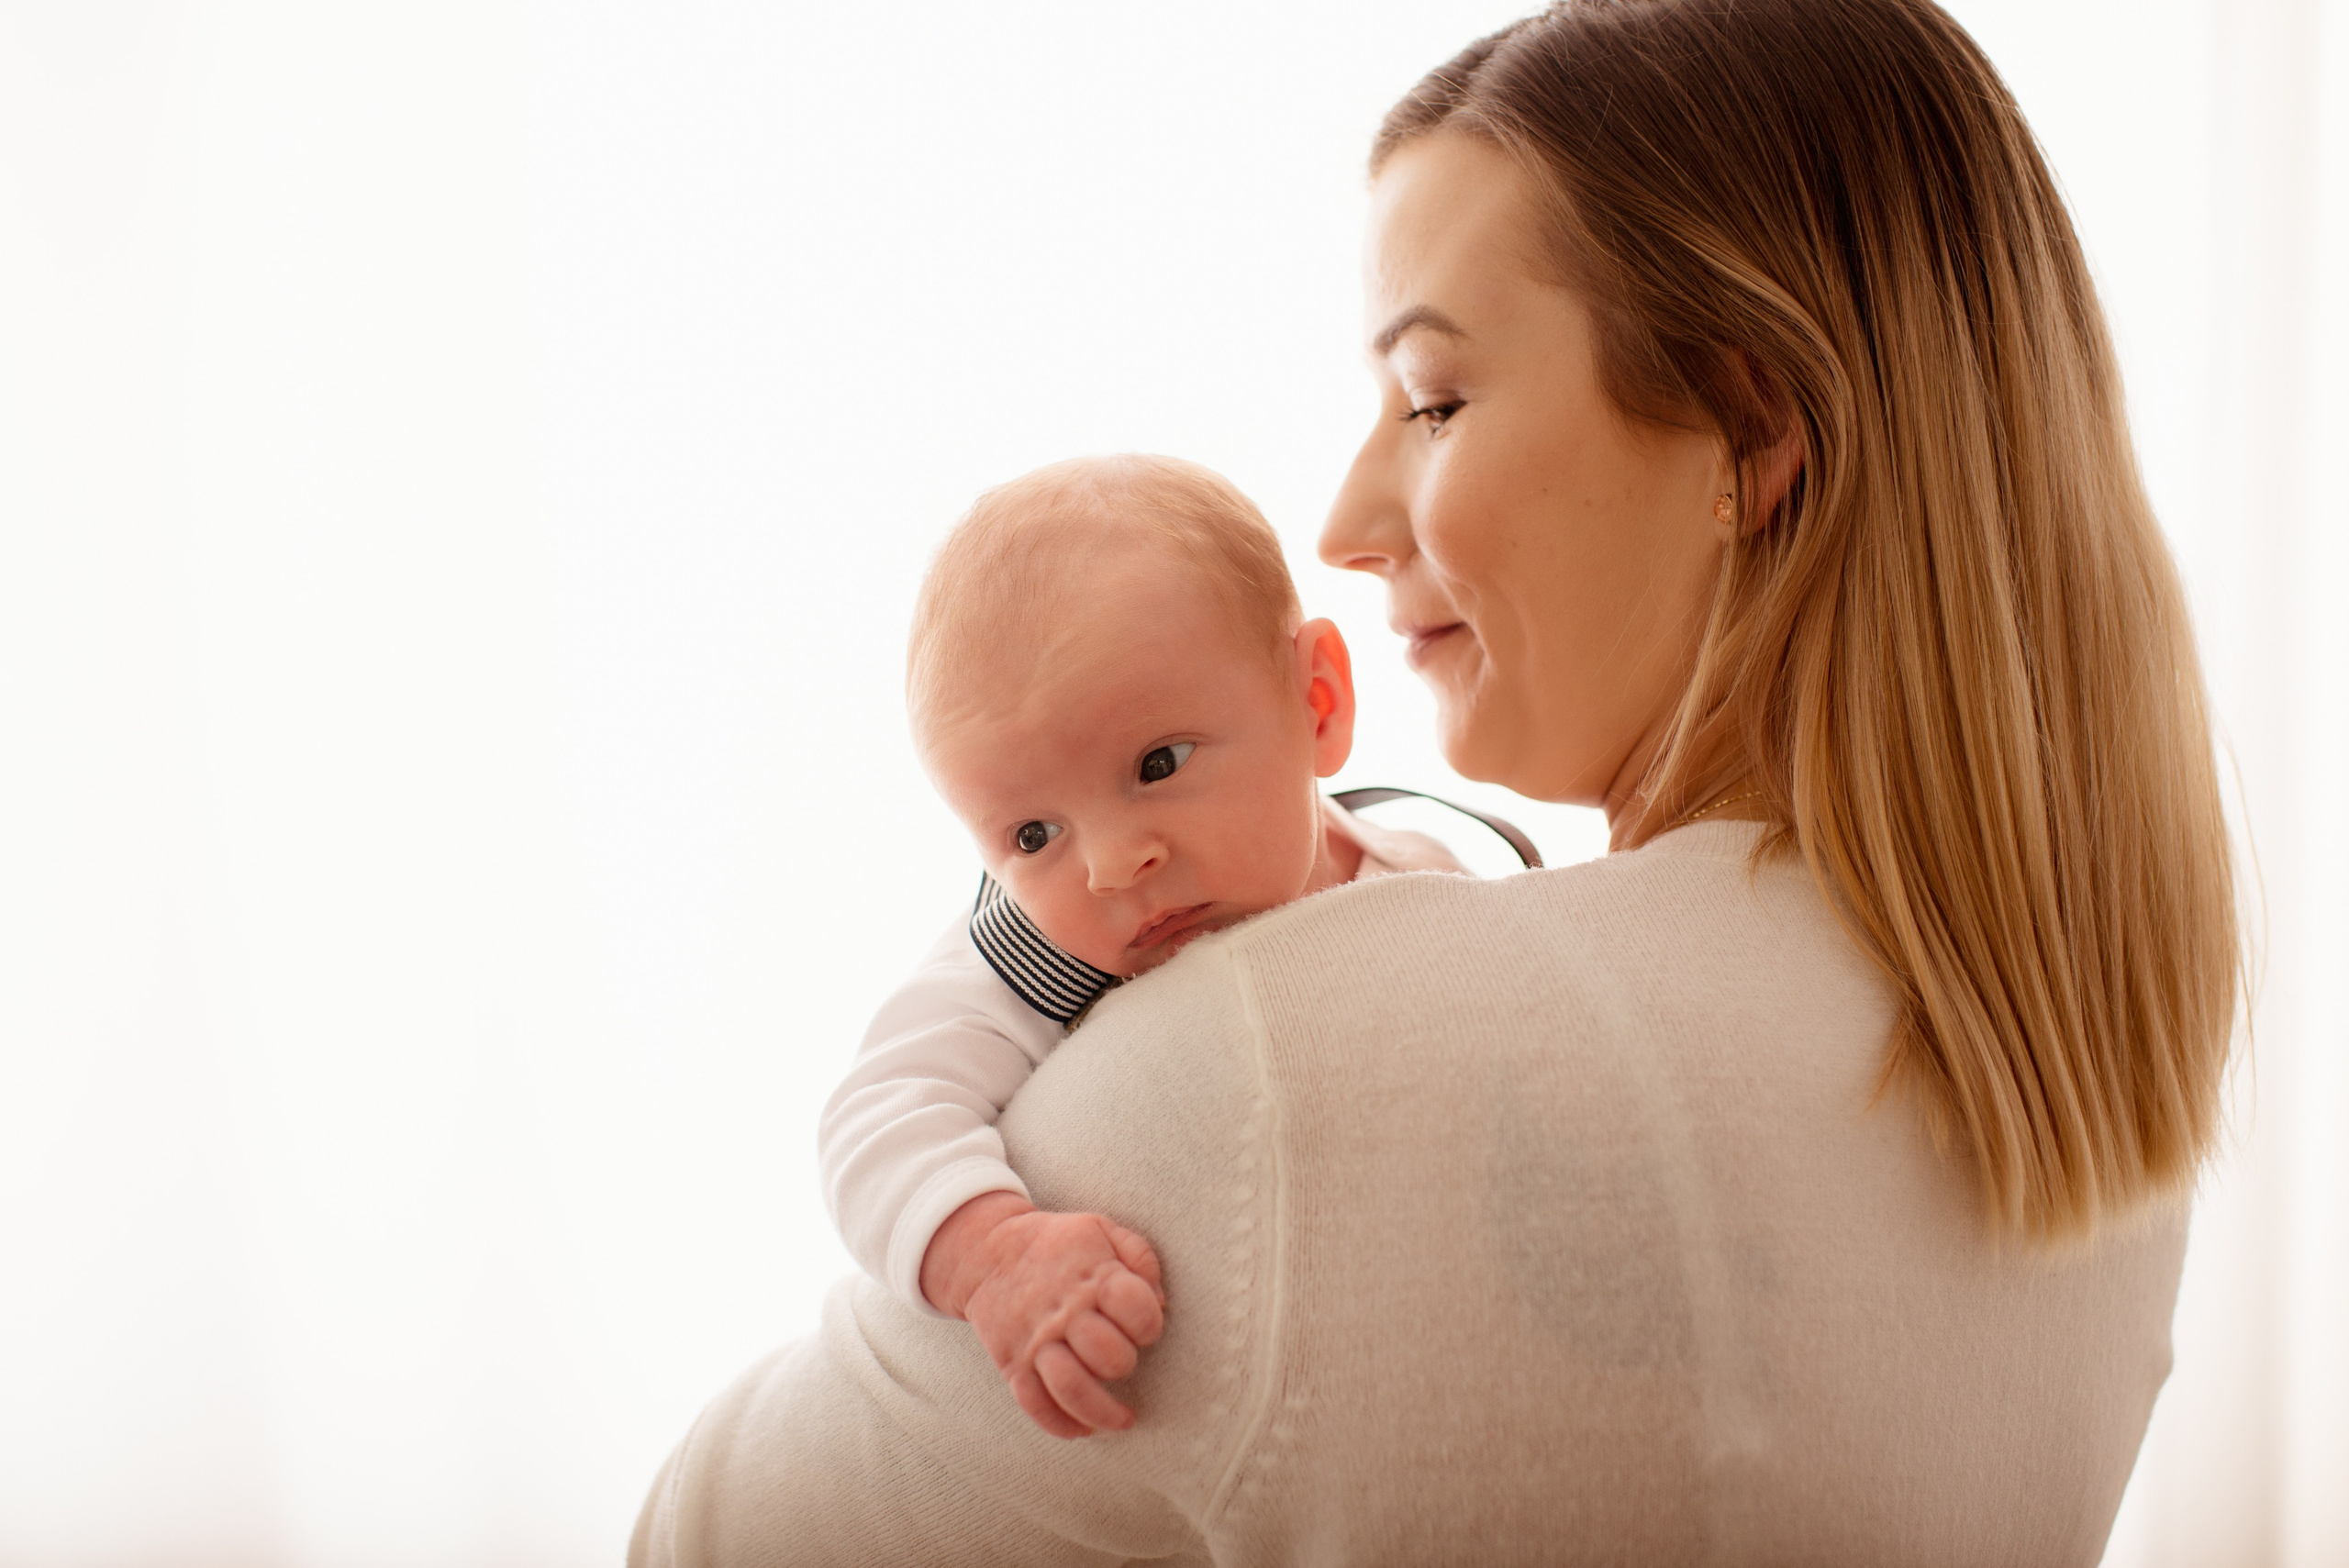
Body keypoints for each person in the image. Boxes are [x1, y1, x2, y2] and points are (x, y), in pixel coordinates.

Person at [631, 0, 2238, 1561]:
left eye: (1435, 399)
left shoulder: (1275, 1058)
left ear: (1750, 437)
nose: (1340, 519)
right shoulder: (2095, 1094)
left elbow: (703, 1531)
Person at [818, 454, 1470, 1440]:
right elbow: (876, 1117)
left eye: (1156, 764)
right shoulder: (1025, 963)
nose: (1113, 868)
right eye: (1032, 836)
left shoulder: (1422, 876)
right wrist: (995, 1254)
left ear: (1319, 703)